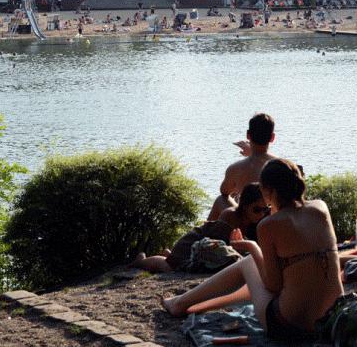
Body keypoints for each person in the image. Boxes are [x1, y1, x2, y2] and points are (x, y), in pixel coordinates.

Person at [160, 159, 344, 341]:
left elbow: (273, 286)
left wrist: (252, 247)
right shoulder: (321, 208)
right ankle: (192, 305)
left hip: (290, 326)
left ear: (269, 191)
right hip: (331, 320)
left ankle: (180, 303)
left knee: (248, 263)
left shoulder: (268, 225)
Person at [131, 183, 271, 273]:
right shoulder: (230, 217)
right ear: (245, 206)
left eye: (266, 209)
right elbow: (214, 246)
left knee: (175, 262)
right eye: (257, 209)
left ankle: (169, 254)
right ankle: (142, 261)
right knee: (168, 267)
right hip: (193, 244)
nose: (262, 214)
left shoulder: (260, 221)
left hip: (203, 252)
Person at [208, 113, 277, 221]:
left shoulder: (236, 169)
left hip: (248, 223)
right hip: (273, 220)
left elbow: (224, 191)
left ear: (248, 135)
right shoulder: (282, 166)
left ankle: (205, 233)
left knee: (220, 200)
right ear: (272, 138)